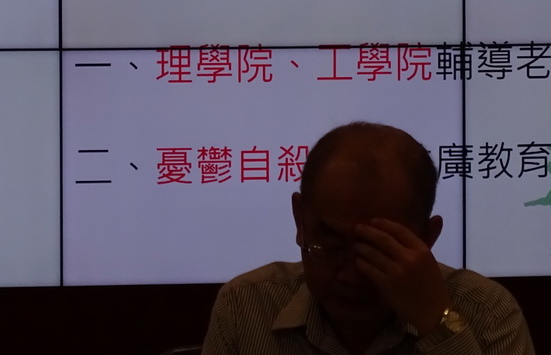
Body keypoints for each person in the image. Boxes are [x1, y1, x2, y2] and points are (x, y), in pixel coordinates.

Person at [201, 122, 534, 355]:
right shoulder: (247, 306)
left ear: (428, 238)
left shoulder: (486, 312)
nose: (351, 275)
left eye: (377, 251)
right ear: (300, 220)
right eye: (331, 247)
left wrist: (438, 322)